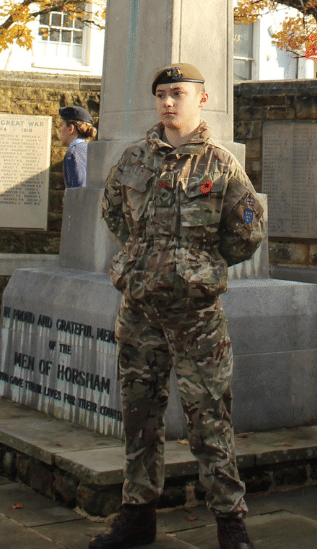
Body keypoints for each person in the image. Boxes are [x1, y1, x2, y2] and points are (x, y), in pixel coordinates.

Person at [95, 63, 265, 549]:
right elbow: (114, 212)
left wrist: (199, 266)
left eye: (178, 93)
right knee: (139, 415)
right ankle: (138, 515)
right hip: (141, 310)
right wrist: (146, 260)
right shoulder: (132, 161)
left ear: (201, 99)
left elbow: (247, 232)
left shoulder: (219, 165)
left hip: (196, 318)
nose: (168, 102)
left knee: (209, 418)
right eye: (162, 94)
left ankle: (230, 523)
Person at [58, 105, 96, 189]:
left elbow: (78, 193)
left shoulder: (74, 153)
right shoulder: (93, 150)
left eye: (61, 125)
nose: (59, 130)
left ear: (70, 129)